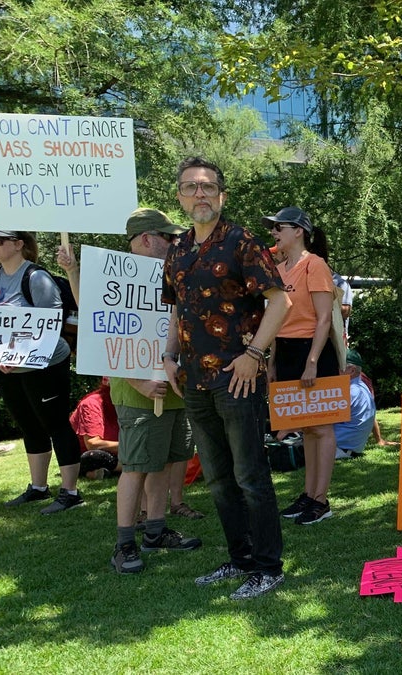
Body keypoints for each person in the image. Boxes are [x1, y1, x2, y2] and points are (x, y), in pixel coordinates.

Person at [162, 157, 290, 599]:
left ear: (222, 195)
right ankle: (241, 559)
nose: (200, 194)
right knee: (217, 478)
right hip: (193, 379)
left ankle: (268, 567)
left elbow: (280, 303)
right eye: (191, 187)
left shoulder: (241, 242)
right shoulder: (177, 249)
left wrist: (255, 354)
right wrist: (167, 356)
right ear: (179, 196)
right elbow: (177, 309)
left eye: (208, 187)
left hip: (237, 376)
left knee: (251, 476)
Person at [62, 208, 205, 572]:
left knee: (163, 463)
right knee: (137, 468)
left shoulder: (172, 274)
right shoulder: (116, 277)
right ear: (146, 238)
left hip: (173, 390)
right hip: (137, 395)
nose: (175, 243)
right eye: (168, 237)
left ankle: (155, 532)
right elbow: (102, 330)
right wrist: (139, 381)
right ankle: (125, 543)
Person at [0, 227, 83, 514]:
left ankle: (70, 492)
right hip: (7, 370)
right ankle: (38, 488)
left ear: (18, 244)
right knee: (28, 425)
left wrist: (20, 355)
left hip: (46, 364)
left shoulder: (36, 277)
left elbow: (50, 324)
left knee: (56, 424)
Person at [266, 206, 341, 526]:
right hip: (285, 351)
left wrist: (311, 363)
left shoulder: (315, 265)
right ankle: (309, 494)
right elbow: (275, 317)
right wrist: (270, 360)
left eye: (278, 227)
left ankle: (321, 500)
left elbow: (324, 319)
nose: (273, 233)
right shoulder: (281, 268)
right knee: (307, 426)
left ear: (298, 231)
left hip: (313, 352)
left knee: (322, 428)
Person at [70, 378, 120, 479]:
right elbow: (92, 444)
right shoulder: (91, 404)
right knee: (93, 456)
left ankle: (103, 471)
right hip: (88, 455)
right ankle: (125, 467)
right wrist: (129, 447)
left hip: (118, 452)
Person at [334, 349, 377, 459]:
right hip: (347, 449)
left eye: (338, 366)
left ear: (352, 370)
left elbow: (321, 423)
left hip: (338, 449)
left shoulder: (348, 392)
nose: (334, 369)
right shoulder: (362, 387)